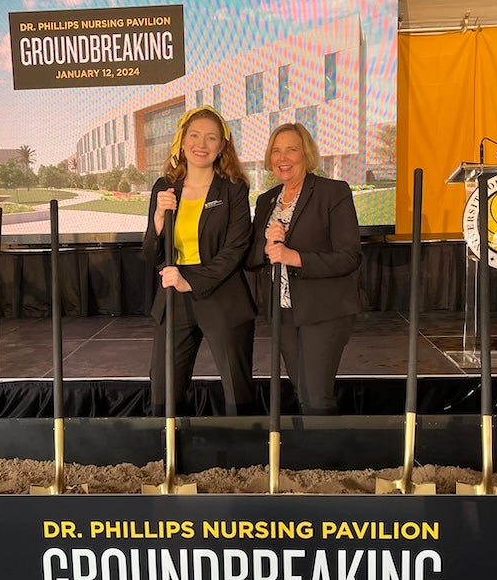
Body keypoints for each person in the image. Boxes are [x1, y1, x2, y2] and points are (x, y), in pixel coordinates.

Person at [143, 106, 255, 415]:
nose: (201, 144)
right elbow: (151, 253)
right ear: (181, 141)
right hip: (173, 298)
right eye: (194, 135)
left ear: (222, 146)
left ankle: (245, 460)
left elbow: (236, 249)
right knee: (164, 389)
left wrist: (190, 280)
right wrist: (158, 220)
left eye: (210, 138)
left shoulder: (234, 188)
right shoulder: (163, 188)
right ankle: (171, 458)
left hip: (222, 294)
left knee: (237, 389)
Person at [247, 123, 362, 415]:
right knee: (301, 390)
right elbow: (251, 258)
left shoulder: (332, 192)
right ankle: (310, 456)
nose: (282, 157)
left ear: (306, 153)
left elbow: (349, 257)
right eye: (276, 150)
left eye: (291, 149)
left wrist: (294, 256)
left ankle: (324, 460)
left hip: (324, 310)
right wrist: (266, 245)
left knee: (317, 395)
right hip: (283, 312)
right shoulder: (266, 201)